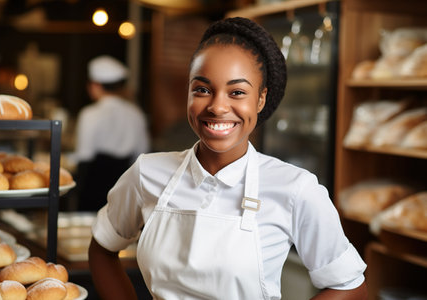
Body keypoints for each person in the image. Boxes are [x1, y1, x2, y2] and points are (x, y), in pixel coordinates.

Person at [88, 17, 367, 299]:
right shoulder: (147, 172)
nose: (218, 106)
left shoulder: (295, 188)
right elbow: (102, 248)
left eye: (237, 92)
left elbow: (350, 285)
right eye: (202, 89)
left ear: (260, 99)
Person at [74, 55, 150, 211]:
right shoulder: (135, 113)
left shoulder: (89, 114)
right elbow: (142, 153)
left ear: (95, 85)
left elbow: (84, 155)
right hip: (124, 186)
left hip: (92, 187)